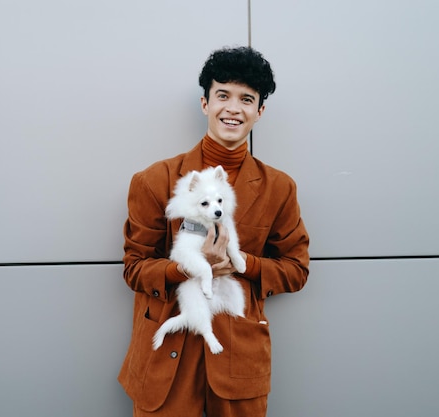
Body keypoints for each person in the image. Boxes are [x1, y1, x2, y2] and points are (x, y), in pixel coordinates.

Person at [118, 46, 310, 417]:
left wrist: (240, 265)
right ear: (205, 103)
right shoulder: (155, 181)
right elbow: (135, 268)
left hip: (240, 360)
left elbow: (296, 270)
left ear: (260, 111)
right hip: (165, 363)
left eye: (246, 99)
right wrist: (187, 267)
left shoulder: (279, 187)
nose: (233, 108)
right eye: (223, 95)